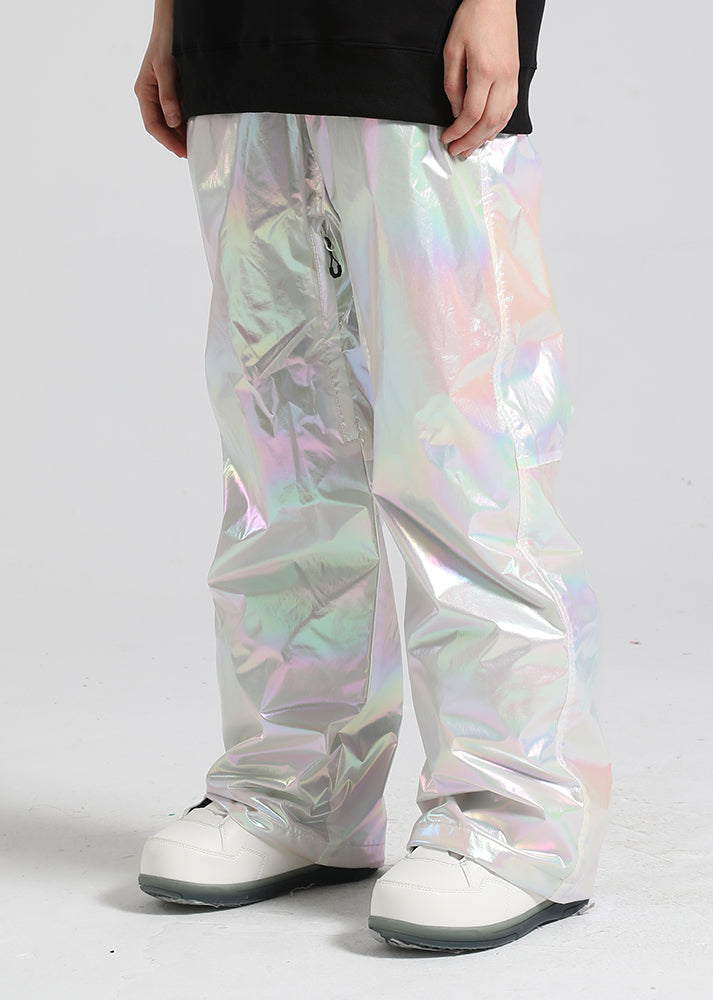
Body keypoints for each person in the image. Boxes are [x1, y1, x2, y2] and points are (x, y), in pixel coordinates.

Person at [133, 0, 612, 954]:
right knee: (282, 452)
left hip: (414, 32)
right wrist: (168, 15)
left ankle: (518, 818)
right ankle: (298, 785)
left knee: (461, 438)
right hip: (240, 37)